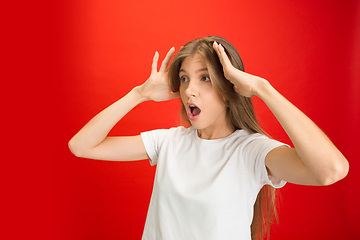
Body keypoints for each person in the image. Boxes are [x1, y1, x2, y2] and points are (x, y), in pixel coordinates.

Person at [68, 36, 349, 240]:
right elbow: (81, 146)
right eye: (184, 78)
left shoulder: (252, 151)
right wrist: (138, 94)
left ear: (231, 86)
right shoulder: (169, 142)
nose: (190, 90)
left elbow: (330, 170)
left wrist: (264, 89)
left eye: (204, 78)